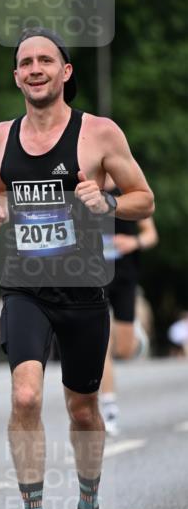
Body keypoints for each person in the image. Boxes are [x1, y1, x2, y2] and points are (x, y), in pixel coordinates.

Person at [0, 27, 154, 509]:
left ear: (65, 71)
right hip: (24, 287)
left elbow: (144, 198)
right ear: (16, 76)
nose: (35, 69)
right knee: (25, 395)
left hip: (83, 290)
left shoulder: (99, 133)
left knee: (82, 408)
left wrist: (106, 201)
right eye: (26, 62)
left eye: (46, 60)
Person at [100, 179, 159, 435]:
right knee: (100, 344)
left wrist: (133, 242)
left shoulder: (127, 187)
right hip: (94, 273)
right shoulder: (85, 185)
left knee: (124, 350)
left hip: (125, 274)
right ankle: (108, 406)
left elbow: (150, 234)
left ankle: (134, 337)